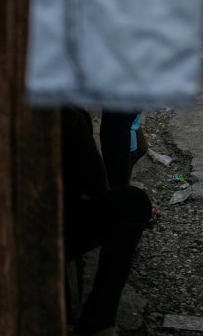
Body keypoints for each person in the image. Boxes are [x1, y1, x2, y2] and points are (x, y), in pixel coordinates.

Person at [64, 109, 152, 336]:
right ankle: (98, 322)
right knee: (134, 204)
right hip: (54, 230)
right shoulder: (69, 115)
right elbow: (94, 185)